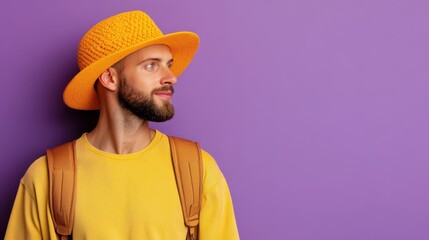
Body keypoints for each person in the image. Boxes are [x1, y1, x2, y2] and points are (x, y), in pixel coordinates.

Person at [5, 10, 239, 239]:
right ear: (109, 78)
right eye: (151, 65)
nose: (171, 77)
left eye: (169, 64)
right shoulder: (46, 177)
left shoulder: (198, 169)